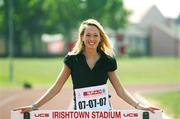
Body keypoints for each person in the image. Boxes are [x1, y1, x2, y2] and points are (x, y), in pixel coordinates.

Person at [14, 19, 159, 113]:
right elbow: (56, 88)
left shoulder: (108, 60)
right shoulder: (72, 59)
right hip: (79, 113)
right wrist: (35, 106)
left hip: (104, 113)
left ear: (100, 37)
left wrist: (139, 106)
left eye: (95, 35)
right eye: (88, 35)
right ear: (82, 37)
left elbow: (120, 91)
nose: (92, 39)